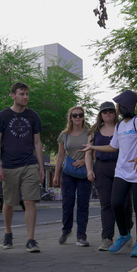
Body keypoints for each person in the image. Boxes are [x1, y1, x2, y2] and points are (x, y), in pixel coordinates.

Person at [80, 90, 137, 258]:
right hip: (122, 171)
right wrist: (93, 148)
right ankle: (124, 234)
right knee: (116, 203)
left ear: (125, 105)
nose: (116, 108)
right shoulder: (120, 126)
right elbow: (114, 147)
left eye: (118, 105)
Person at [0, 82, 45, 253]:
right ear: (13, 96)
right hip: (9, 165)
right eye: (22, 94)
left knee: (29, 200)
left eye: (27, 94)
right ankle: (8, 232)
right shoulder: (2, 116)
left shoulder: (33, 116)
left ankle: (31, 239)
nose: (25, 97)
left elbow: (37, 142)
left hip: (29, 163)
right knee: (9, 203)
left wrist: (40, 166)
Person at [85, 101, 133, 251]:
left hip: (122, 168)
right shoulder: (95, 131)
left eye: (111, 111)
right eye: (104, 111)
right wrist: (89, 170)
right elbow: (88, 151)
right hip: (102, 168)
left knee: (124, 203)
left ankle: (126, 232)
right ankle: (107, 237)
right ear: (100, 114)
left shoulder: (122, 127)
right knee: (106, 204)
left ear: (115, 113)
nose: (108, 114)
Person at [53, 106, 91, 247]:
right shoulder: (64, 135)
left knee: (82, 204)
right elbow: (60, 155)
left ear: (83, 117)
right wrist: (56, 174)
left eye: (80, 115)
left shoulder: (89, 133)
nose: (77, 118)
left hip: (83, 172)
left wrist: (85, 161)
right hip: (68, 173)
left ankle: (81, 236)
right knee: (67, 204)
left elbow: (93, 153)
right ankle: (66, 230)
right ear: (70, 117)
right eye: (74, 115)